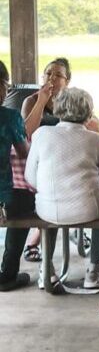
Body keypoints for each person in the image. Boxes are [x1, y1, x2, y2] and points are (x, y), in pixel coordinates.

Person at [24, 87, 99, 289]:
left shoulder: (41, 134)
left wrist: (50, 190)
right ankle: (94, 269)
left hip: (47, 208)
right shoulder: (96, 139)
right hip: (89, 208)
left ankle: (47, 268)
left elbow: (30, 176)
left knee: (51, 211)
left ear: (57, 109)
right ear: (89, 114)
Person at [20, 58, 99, 263]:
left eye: (58, 75)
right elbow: (26, 134)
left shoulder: (73, 102)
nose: (52, 78)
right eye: (48, 73)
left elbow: (96, 126)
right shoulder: (31, 101)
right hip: (41, 162)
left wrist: (79, 113)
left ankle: (75, 234)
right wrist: (41, 101)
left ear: (68, 81)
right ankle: (36, 240)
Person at [0, 61, 30, 292]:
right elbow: (24, 153)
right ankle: (8, 273)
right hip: (5, 200)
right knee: (29, 201)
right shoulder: (9, 117)